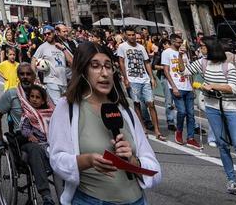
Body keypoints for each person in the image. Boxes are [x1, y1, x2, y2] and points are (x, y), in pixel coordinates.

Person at [48, 42, 161, 205]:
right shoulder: (68, 107)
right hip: (90, 200)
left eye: (108, 66)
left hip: (137, 200)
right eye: (95, 66)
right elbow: (57, 159)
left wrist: (133, 161)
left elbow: (154, 171)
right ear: (83, 71)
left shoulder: (125, 108)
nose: (104, 73)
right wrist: (87, 160)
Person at [189, 39, 236, 202]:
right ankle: (231, 181)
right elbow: (183, 70)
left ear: (212, 49)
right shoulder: (202, 64)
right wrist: (180, 55)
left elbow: (234, 88)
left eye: (203, 47)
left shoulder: (227, 66)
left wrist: (213, 85)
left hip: (230, 109)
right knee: (222, 146)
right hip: (212, 108)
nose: (201, 50)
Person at [0, 62, 57, 205]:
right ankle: (46, 196)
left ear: (34, 76)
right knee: (35, 149)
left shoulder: (43, 94)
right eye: (22, 74)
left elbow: (55, 114)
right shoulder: (12, 94)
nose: (25, 77)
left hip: (46, 136)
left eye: (28, 74)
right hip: (23, 139)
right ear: (18, 76)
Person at [115, 29, 164, 141]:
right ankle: (143, 129)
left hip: (144, 78)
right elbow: (121, 62)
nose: (132, 37)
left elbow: (146, 62)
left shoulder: (141, 47)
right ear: (125, 36)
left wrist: (151, 78)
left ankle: (157, 130)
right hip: (132, 80)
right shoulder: (122, 47)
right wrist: (125, 78)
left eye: (133, 35)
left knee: (151, 103)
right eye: (129, 35)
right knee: (137, 104)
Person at [35, 26, 72, 106]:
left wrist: (63, 49)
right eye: (44, 35)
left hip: (64, 81)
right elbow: (33, 60)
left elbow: (71, 62)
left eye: (49, 33)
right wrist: (35, 76)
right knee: (58, 106)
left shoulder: (62, 45)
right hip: (51, 81)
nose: (47, 36)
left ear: (54, 33)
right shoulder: (43, 47)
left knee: (64, 106)